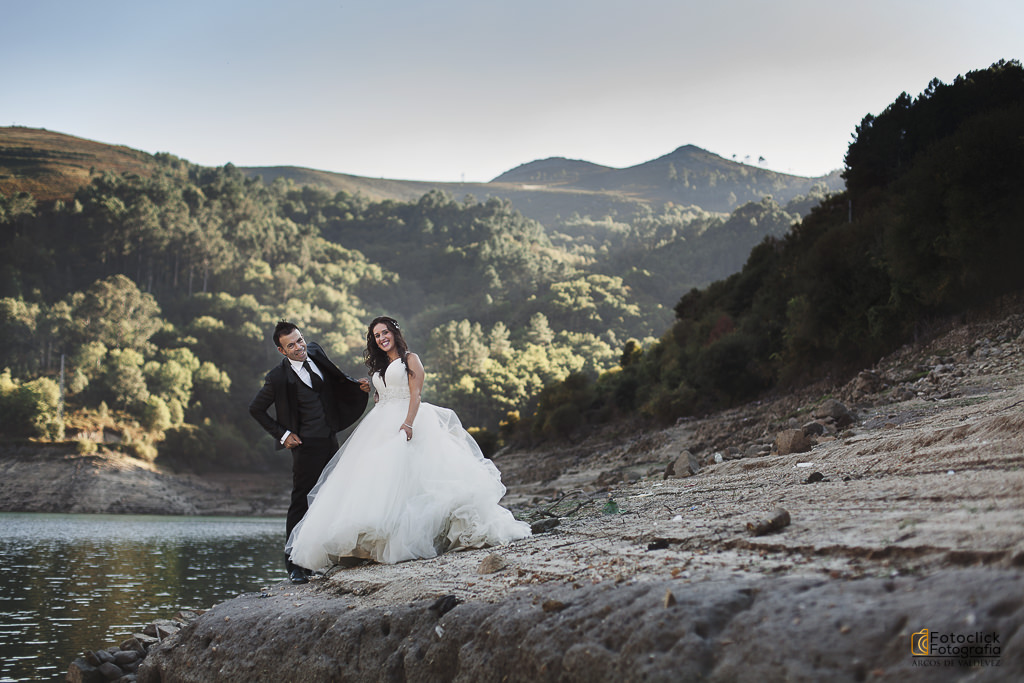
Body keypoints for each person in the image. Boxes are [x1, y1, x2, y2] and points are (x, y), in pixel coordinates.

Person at [286, 316, 531, 569]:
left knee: (414, 476)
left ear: (394, 332)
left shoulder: (410, 359)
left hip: (409, 419)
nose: (381, 338)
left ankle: (415, 536)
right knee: (376, 478)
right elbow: (381, 398)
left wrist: (408, 423)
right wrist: (371, 392)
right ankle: (366, 543)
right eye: (376, 336)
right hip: (380, 423)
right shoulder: (381, 366)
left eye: (384, 332)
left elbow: (416, 394)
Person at [249, 321, 370, 584]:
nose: (298, 347)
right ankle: (293, 565)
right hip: (305, 447)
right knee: (301, 502)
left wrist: (355, 386)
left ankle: (321, 558)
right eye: (291, 345)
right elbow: (256, 409)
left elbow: (335, 377)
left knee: (330, 498)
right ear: (282, 351)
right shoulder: (277, 377)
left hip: (329, 439)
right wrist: (283, 434)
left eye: (299, 340)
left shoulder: (315, 351)